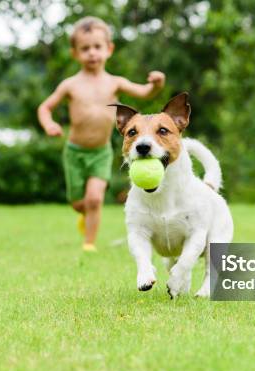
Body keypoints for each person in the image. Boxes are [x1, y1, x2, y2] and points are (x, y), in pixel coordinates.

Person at [37, 16, 165, 252]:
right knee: (79, 203)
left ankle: (89, 243)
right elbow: (45, 107)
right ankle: (82, 214)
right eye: (85, 48)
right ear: (75, 53)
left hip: (101, 152)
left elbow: (144, 92)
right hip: (74, 152)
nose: (92, 53)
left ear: (109, 49)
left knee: (95, 199)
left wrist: (156, 84)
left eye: (97, 47)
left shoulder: (114, 82)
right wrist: (49, 124)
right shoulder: (70, 85)